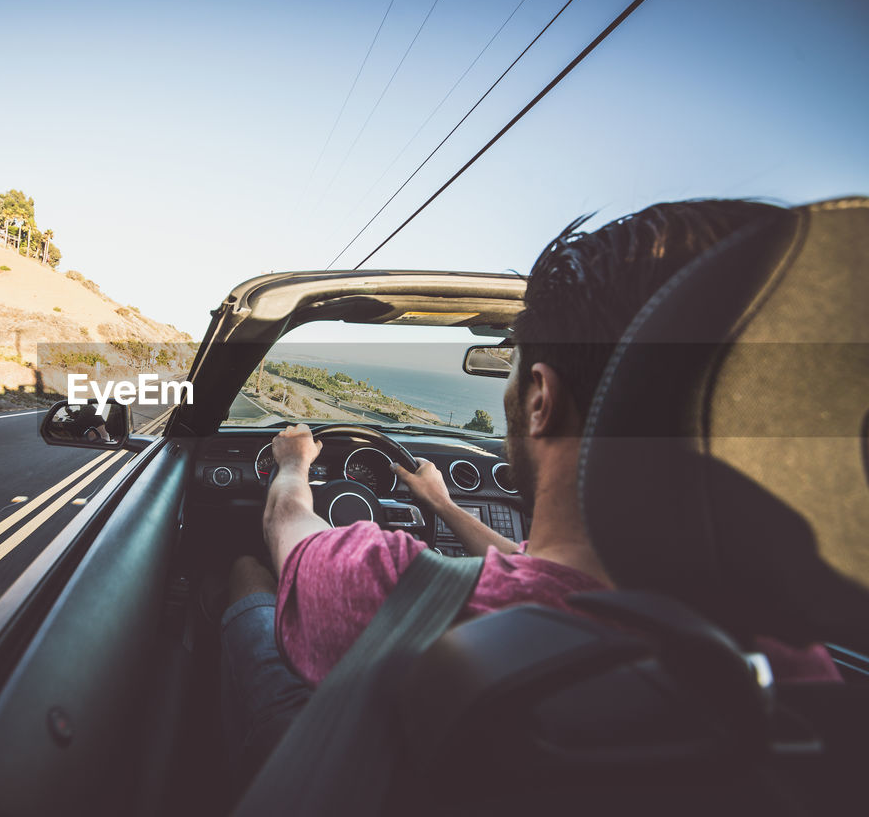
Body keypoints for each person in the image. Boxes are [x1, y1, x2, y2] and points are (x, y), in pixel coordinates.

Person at [218, 199, 840, 786]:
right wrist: (442, 505)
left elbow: (288, 528)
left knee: (249, 573)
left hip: (329, 767)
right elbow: (540, 569)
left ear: (541, 399)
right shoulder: (791, 666)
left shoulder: (390, 592)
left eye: (512, 373)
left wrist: (294, 462)